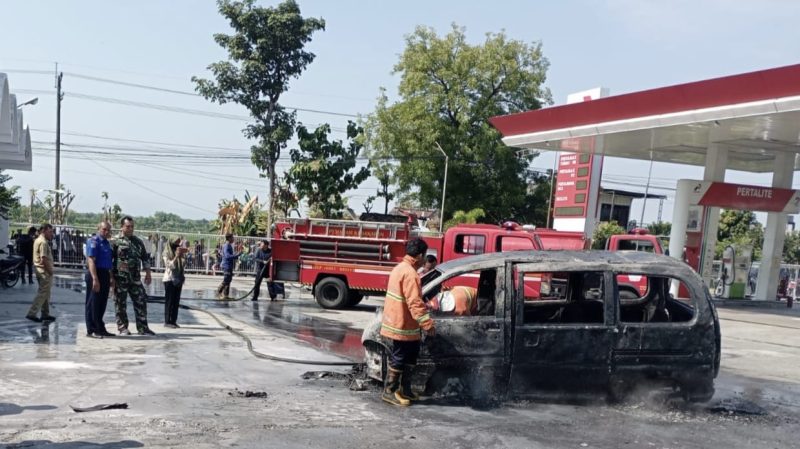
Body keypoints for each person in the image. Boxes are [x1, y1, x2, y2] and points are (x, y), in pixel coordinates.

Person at [379, 238, 435, 406]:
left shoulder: (400, 268)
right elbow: (415, 303)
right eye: (425, 255)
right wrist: (427, 324)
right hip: (401, 325)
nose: (425, 259)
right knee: (399, 357)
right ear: (419, 256)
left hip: (405, 325)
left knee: (410, 357)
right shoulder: (410, 274)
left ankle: (406, 390)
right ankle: (389, 391)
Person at [111, 216, 155, 336]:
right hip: (120, 278)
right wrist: (111, 278)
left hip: (135, 278)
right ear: (122, 227)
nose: (130, 229)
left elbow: (145, 258)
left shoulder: (138, 242)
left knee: (141, 301)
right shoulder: (115, 241)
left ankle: (143, 328)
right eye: (128, 226)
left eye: (132, 226)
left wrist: (148, 273)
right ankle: (122, 327)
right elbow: (110, 260)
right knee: (120, 303)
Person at [84, 221, 114, 339]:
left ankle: (100, 327)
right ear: (98, 229)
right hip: (95, 273)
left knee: (102, 303)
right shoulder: (94, 241)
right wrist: (95, 279)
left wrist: (111, 277)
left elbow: (109, 262)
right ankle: (91, 329)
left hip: (105, 273)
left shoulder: (107, 243)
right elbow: (91, 260)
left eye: (108, 230)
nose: (106, 232)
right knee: (93, 302)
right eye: (104, 229)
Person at [26, 224, 56, 323]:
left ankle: (45, 314)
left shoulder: (38, 240)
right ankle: (32, 313)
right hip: (44, 271)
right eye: (50, 231)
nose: (52, 234)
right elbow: (43, 259)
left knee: (46, 293)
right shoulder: (43, 242)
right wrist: (50, 271)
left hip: (40, 270)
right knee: (43, 293)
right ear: (44, 231)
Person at [162, 237, 188, 328]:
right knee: (169, 301)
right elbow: (170, 265)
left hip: (178, 279)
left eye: (178, 242)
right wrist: (176, 256)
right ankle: (167, 321)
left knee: (176, 301)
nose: (177, 245)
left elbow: (183, 265)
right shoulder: (166, 253)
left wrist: (182, 256)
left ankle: (173, 321)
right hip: (169, 279)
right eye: (176, 242)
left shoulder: (178, 251)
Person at [216, 234, 241, 299]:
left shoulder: (228, 245)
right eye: (232, 238)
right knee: (226, 279)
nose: (233, 239)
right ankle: (219, 292)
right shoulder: (227, 245)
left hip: (229, 265)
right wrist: (236, 255)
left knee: (229, 280)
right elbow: (227, 256)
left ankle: (226, 295)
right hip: (226, 265)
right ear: (229, 238)